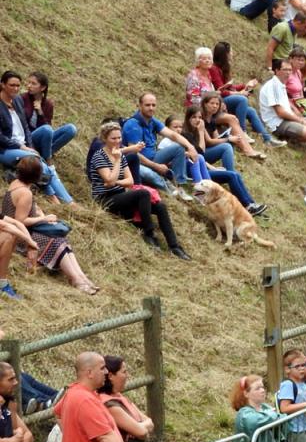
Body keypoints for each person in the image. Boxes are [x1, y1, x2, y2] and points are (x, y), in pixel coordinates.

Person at [87, 122, 191, 260]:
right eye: (113, 138)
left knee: (160, 206)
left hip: (121, 194)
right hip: (105, 198)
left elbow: (129, 181)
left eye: (119, 138)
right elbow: (109, 180)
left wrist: (116, 181)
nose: (117, 141)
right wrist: (117, 163)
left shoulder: (120, 155)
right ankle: (148, 233)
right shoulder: (99, 156)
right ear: (104, 139)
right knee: (143, 193)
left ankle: (175, 246)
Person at [3, 156, 99, 294]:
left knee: (62, 240)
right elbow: (20, 220)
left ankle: (80, 276)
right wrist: (43, 219)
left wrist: (39, 213)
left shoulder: (16, 184)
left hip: (21, 230)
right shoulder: (25, 193)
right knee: (55, 242)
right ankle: (75, 279)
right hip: (19, 236)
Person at [0, 71, 74, 204]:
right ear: (3, 85)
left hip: (24, 144)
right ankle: (58, 198)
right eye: (12, 85)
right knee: (39, 161)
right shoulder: (13, 101)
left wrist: (30, 147)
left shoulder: (16, 100)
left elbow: (26, 128)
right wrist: (21, 146)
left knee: (40, 162)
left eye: (18, 85)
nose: (16, 88)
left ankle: (67, 201)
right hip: (6, 149)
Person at [122, 92, 200, 198]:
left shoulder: (152, 121)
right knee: (149, 173)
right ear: (139, 106)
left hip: (153, 157)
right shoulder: (132, 125)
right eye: (147, 105)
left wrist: (191, 147)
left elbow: (173, 135)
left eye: (153, 105)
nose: (151, 108)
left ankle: (180, 185)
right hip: (139, 163)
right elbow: (134, 154)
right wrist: (156, 166)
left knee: (178, 148)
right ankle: (169, 188)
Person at [210, 42, 285, 147]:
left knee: (251, 111)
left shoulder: (223, 68)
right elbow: (221, 90)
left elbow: (229, 87)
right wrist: (240, 93)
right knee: (242, 100)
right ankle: (242, 131)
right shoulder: (214, 69)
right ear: (225, 54)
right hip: (219, 102)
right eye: (231, 51)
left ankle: (267, 139)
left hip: (226, 100)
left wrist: (245, 86)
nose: (232, 53)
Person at [260, 59, 306, 161]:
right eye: (285, 70)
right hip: (277, 123)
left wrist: (297, 113)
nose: (288, 72)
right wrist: (300, 120)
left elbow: (286, 103)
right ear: (276, 71)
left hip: (289, 117)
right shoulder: (273, 86)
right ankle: (292, 138)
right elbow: (280, 112)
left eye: (289, 70)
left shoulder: (281, 84)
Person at [20, 71, 78, 162]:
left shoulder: (48, 104)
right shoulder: (22, 98)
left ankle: (45, 154)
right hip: (27, 138)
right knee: (46, 129)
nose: (29, 86)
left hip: (43, 138)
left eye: (33, 83)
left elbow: (48, 126)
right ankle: (47, 159)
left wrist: (40, 112)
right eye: (28, 82)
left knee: (71, 129)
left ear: (42, 87)